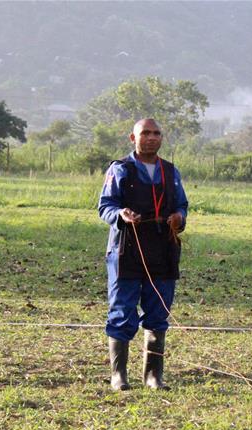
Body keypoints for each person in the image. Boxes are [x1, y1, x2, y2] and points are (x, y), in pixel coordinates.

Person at [98, 118, 188, 391]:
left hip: (163, 248)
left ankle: (153, 375)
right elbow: (106, 206)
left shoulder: (171, 171)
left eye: (156, 133)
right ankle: (119, 375)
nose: (151, 137)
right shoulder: (120, 169)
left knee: (158, 312)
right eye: (145, 133)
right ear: (132, 138)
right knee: (122, 312)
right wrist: (121, 215)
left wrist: (178, 218)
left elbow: (183, 206)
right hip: (127, 249)